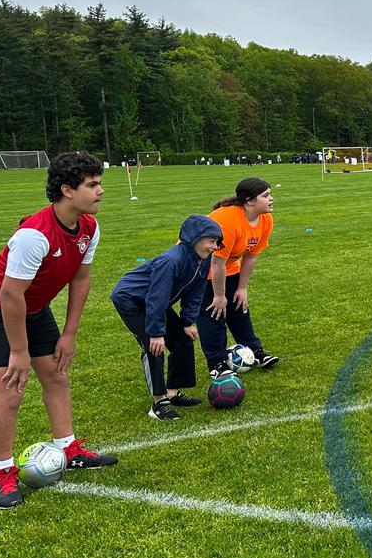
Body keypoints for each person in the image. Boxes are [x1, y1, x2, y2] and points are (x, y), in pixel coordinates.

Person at [0, 152, 118, 509]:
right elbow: (9, 294)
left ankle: (69, 448)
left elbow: (81, 279)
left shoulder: (89, 228)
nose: (100, 191)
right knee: (10, 390)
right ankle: (1, 474)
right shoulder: (34, 235)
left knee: (56, 375)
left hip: (32, 309)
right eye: (92, 185)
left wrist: (69, 334)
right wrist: (19, 352)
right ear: (67, 190)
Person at [110, 215, 225, 420]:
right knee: (153, 346)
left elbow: (196, 292)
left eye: (217, 242)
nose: (215, 247)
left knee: (183, 339)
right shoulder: (171, 260)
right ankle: (159, 403)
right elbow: (157, 297)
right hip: (131, 300)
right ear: (195, 238)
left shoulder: (203, 260)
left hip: (155, 302)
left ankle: (172, 393)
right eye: (211, 241)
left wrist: (187, 322)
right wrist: (155, 334)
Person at [199, 177, 280, 377]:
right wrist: (219, 296)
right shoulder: (227, 221)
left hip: (226, 266)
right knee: (215, 313)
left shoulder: (265, 219)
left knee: (239, 307)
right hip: (199, 267)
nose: (271, 199)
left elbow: (251, 256)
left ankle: (255, 351)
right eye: (266, 195)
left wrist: (241, 288)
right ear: (249, 201)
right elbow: (215, 263)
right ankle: (217, 364)